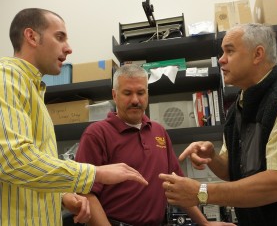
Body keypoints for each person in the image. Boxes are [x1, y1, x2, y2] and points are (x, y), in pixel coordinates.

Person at [0, 8, 148, 226]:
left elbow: (25, 176)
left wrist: (61, 196)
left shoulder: (32, 88)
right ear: (31, 36)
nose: (68, 48)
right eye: (59, 37)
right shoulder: (6, 78)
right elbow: (11, 160)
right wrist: (96, 173)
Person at [159, 23, 277, 226]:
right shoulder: (237, 108)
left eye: (230, 51)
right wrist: (213, 157)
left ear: (257, 54)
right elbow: (232, 171)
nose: (221, 59)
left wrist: (201, 192)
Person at [75, 64, 236, 226]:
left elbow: (177, 185)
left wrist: (205, 223)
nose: (135, 100)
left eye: (140, 93)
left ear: (147, 94)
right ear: (114, 95)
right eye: (127, 93)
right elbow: (86, 194)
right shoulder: (96, 134)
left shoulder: (159, 132)